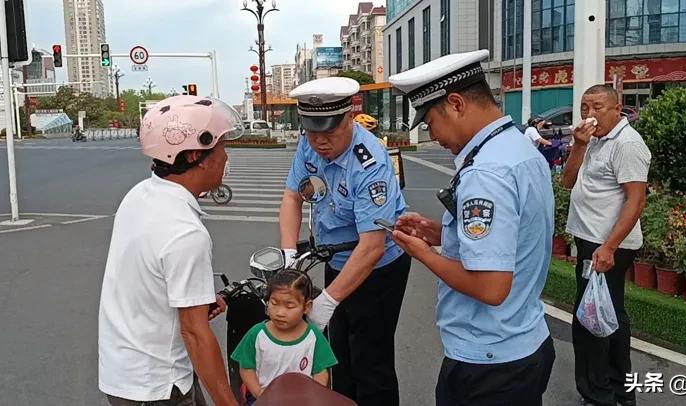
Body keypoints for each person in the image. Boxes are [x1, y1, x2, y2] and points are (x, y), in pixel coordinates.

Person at [388, 49, 556, 406]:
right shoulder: (518, 149)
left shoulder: (485, 173)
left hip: (490, 364)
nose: (433, 136)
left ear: (456, 103)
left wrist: (423, 254)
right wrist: (441, 233)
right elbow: (516, 234)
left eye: (430, 123)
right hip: (525, 341)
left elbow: (491, 287)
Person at [98, 95, 242, 406]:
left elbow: (145, 278)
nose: (226, 157)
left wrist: (196, 299)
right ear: (194, 155)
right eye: (221, 148)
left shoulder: (140, 195)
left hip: (124, 372)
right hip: (158, 385)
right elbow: (195, 334)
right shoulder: (185, 233)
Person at [279, 76, 411, 405]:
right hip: (337, 258)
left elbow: (372, 246)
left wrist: (326, 301)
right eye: (312, 132)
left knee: (371, 361)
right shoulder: (308, 142)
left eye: (329, 132)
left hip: (379, 267)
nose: (320, 142)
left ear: (349, 118)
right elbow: (292, 197)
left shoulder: (371, 163)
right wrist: (288, 256)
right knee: (339, 356)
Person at [561, 85, 652, 406]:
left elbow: (636, 199)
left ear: (618, 108)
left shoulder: (627, 144)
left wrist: (609, 247)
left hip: (607, 246)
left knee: (591, 320)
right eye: (585, 107)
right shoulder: (593, 141)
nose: (589, 114)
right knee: (607, 315)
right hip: (591, 243)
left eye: (597, 107)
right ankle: (618, 392)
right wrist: (578, 146)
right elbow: (567, 181)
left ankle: (599, 394)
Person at [230, 270, 338, 404]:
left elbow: (321, 372)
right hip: (265, 399)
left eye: (290, 306)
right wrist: (259, 393)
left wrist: (313, 396)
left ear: (306, 307)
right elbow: (246, 368)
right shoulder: (257, 334)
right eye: (274, 303)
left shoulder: (313, 336)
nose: (280, 312)